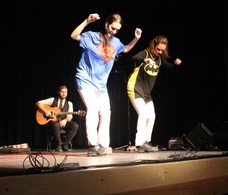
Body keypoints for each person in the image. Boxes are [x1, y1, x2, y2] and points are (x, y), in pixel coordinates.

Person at [70, 13, 142, 156]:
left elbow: (126, 49)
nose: (113, 32)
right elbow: (74, 35)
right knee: (93, 109)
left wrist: (136, 38)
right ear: (106, 24)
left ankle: (103, 144)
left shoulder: (115, 42)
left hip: (101, 85)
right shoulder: (91, 36)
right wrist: (86, 21)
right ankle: (93, 145)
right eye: (112, 28)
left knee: (106, 114)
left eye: (116, 30)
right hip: (84, 78)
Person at [127, 35, 182, 153]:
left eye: (163, 50)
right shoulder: (145, 53)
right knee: (143, 114)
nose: (160, 52)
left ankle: (146, 142)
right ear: (153, 46)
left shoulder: (160, 59)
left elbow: (171, 69)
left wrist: (177, 65)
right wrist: (144, 60)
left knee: (151, 116)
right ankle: (139, 143)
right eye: (158, 49)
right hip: (135, 88)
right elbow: (133, 58)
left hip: (147, 93)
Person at [36, 85, 79, 152]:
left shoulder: (69, 103)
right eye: (62, 92)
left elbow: (70, 116)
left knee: (75, 125)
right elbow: (38, 103)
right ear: (59, 92)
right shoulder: (52, 100)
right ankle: (58, 145)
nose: (64, 93)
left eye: (65, 92)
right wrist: (46, 111)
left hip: (63, 122)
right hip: (53, 122)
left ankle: (65, 144)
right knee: (55, 125)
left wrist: (65, 120)